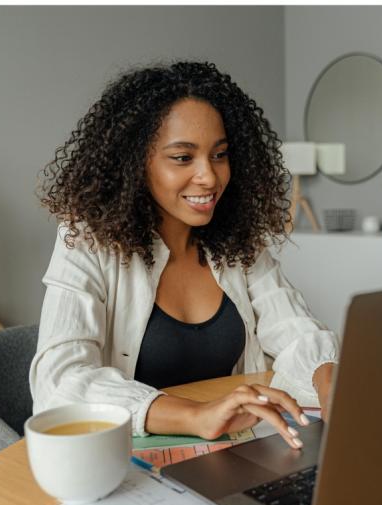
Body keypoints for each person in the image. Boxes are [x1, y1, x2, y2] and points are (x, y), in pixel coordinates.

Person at [31, 60, 339, 450]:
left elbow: (295, 330)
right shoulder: (88, 240)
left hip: (234, 449)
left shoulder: (237, 240)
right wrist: (196, 416)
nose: (209, 177)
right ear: (135, 163)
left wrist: (330, 383)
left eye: (220, 155)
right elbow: (59, 380)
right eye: (182, 157)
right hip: (126, 459)